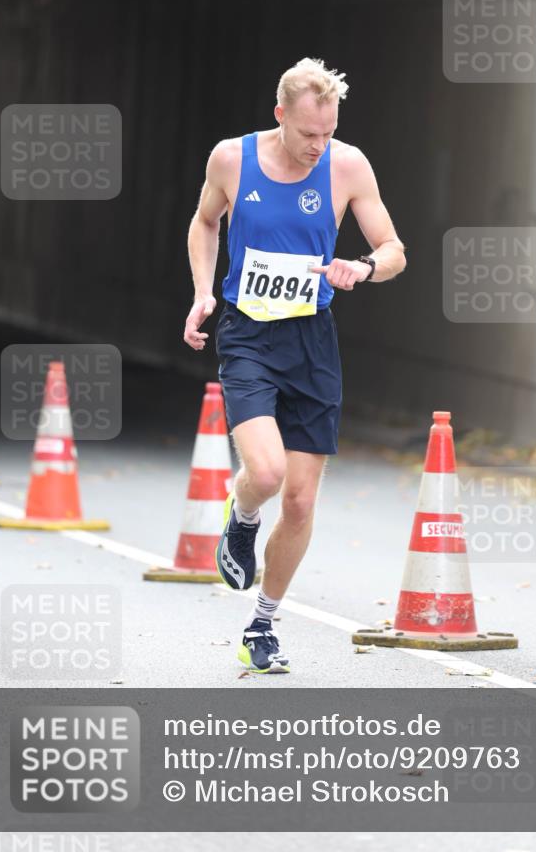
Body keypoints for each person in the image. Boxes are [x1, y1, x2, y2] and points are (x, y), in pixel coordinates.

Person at [184, 57, 406, 673]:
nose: (318, 145)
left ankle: (262, 624)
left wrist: (360, 267)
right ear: (280, 114)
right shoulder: (232, 159)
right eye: (308, 133)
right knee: (268, 471)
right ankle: (243, 512)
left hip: (313, 341)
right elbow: (205, 224)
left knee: (303, 502)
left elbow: (393, 250)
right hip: (248, 333)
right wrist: (204, 291)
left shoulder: (347, 165)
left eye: (328, 132)